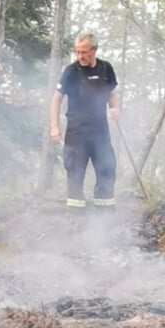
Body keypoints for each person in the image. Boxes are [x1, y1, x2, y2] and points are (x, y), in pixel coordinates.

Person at [48, 33, 120, 211]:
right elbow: (56, 100)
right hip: (76, 134)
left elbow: (112, 92)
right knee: (75, 173)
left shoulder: (106, 69)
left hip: (100, 133)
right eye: (78, 52)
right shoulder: (71, 71)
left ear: (94, 50)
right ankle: (75, 216)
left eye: (84, 52)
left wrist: (115, 108)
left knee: (107, 170)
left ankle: (105, 214)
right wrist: (54, 127)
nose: (80, 56)